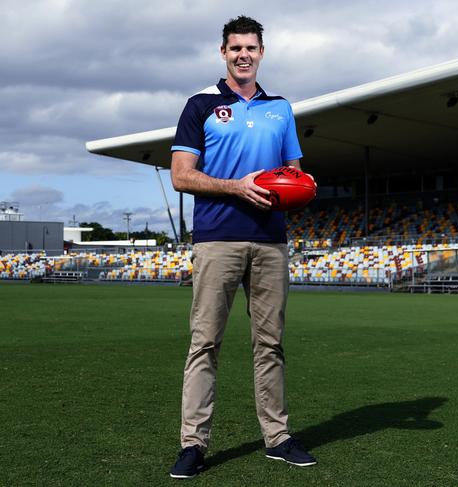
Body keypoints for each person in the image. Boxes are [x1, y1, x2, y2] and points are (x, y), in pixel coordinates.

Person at [168, 15, 316, 479]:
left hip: (271, 242)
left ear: (262, 53)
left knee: (269, 344)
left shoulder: (282, 109)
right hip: (218, 240)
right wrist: (236, 187)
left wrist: (303, 186)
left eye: (251, 48)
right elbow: (180, 175)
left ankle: (277, 437)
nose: (243, 55)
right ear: (224, 53)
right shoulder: (201, 105)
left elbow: (293, 173)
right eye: (235, 48)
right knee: (204, 343)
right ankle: (193, 444)